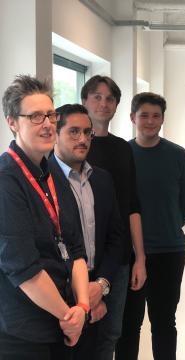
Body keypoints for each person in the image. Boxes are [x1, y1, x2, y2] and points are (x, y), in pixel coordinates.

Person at [0, 75, 89, 359]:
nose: (48, 124)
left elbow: (75, 249)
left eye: (50, 115)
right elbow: (23, 268)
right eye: (36, 116)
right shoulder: (6, 181)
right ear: (12, 122)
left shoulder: (52, 173)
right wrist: (70, 317)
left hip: (62, 322)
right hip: (23, 332)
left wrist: (83, 308)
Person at [124, 92, 185, 359]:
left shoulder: (177, 155)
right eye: (144, 115)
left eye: (156, 116)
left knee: (164, 322)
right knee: (129, 324)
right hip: (130, 254)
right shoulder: (124, 154)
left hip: (169, 252)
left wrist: (169, 224)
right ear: (133, 118)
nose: (150, 121)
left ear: (163, 119)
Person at [49, 103, 124, 359]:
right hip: (59, 298)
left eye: (87, 132)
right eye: (73, 132)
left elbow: (116, 237)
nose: (82, 139)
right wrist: (83, 296)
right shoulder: (42, 181)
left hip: (98, 287)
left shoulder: (102, 179)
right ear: (55, 134)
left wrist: (100, 286)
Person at [81, 75, 147, 359]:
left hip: (117, 258)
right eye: (97, 96)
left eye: (110, 98)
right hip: (79, 258)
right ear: (85, 101)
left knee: (111, 332)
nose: (103, 103)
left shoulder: (123, 149)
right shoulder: (71, 148)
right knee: (80, 331)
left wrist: (140, 258)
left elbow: (131, 205)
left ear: (117, 105)